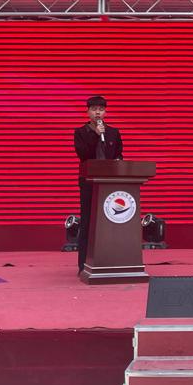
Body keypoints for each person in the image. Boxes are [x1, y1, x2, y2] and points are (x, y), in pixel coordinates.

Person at [73, 95, 124, 274]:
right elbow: (83, 155)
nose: (97, 113)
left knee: (111, 221)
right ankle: (83, 264)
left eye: (101, 109)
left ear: (105, 112)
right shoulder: (81, 132)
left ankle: (110, 261)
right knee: (88, 221)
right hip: (89, 183)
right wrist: (95, 135)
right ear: (87, 112)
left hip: (109, 184)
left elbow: (118, 155)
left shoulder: (113, 132)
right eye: (94, 109)